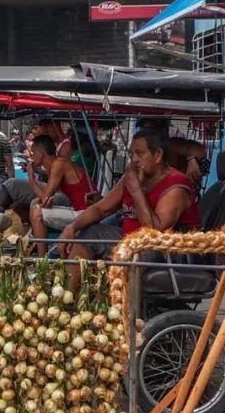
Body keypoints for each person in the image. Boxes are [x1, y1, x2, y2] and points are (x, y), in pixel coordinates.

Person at [59, 129, 200, 293]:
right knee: (89, 234)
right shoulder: (132, 178)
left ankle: (120, 309)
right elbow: (100, 209)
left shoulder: (176, 185)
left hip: (166, 250)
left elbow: (154, 232)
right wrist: (72, 227)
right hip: (132, 241)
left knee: (131, 254)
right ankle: (66, 300)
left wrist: (136, 190)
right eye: (131, 154)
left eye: (140, 154)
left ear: (158, 155)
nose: (134, 159)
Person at [25, 135, 98, 257]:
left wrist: (31, 178)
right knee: (36, 206)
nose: (31, 156)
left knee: (37, 213)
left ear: (41, 153)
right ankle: (36, 247)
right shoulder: (58, 163)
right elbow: (47, 198)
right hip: (80, 211)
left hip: (84, 214)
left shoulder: (59, 164)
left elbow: (45, 199)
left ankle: (42, 260)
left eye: (33, 152)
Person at [137, 118, 208, 187]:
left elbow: (197, 149)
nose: (145, 134)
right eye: (143, 129)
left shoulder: (171, 145)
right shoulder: (139, 150)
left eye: (150, 130)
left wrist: (192, 158)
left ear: (164, 130)